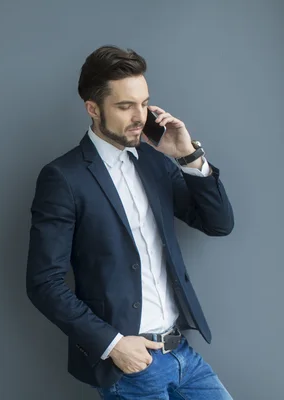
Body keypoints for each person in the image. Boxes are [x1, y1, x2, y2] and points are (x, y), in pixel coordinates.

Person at [25, 45, 235, 399]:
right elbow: (43, 282)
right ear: (93, 109)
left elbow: (218, 223)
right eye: (125, 106)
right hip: (132, 366)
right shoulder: (64, 177)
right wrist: (113, 345)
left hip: (182, 352)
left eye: (143, 103)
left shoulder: (155, 163)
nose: (140, 116)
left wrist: (188, 155)